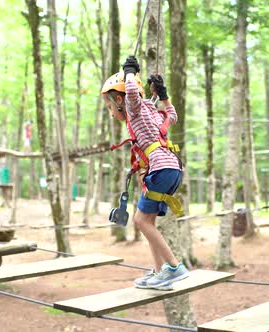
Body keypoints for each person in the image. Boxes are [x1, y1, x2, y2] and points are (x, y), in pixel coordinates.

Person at [101, 56, 189, 290]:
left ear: (120, 100)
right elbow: (173, 116)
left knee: (140, 220)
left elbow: (131, 92)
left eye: (111, 106)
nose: (111, 113)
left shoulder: (134, 109)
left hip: (161, 168)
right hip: (172, 168)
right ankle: (160, 271)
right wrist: (163, 94)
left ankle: (173, 267)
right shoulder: (151, 110)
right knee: (148, 220)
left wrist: (130, 71)